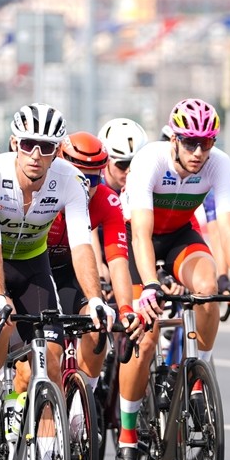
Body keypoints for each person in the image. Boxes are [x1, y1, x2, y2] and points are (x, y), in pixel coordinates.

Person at [0, 103, 114, 460]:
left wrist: (94, 298)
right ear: (14, 143)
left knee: (51, 359)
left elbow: (82, 244)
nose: (35, 154)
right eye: (28, 144)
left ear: (56, 150)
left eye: (45, 147)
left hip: (33, 264)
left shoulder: (69, 181)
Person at [115, 98, 230, 460]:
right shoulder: (150, 161)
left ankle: (198, 375)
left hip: (180, 236)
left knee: (208, 288)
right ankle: (127, 437)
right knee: (146, 336)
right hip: (140, 239)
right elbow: (140, 234)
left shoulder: (219, 164)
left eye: (206, 143)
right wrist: (151, 285)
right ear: (174, 139)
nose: (199, 152)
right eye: (190, 142)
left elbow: (228, 230)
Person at [47, 132, 135, 434]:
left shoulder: (108, 201)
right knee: (44, 353)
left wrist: (126, 308)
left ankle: (81, 405)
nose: (85, 186)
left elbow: (118, 260)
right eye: (79, 176)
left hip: (71, 271)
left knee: (98, 328)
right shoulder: (42, 190)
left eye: (93, 179)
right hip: (33, 270)